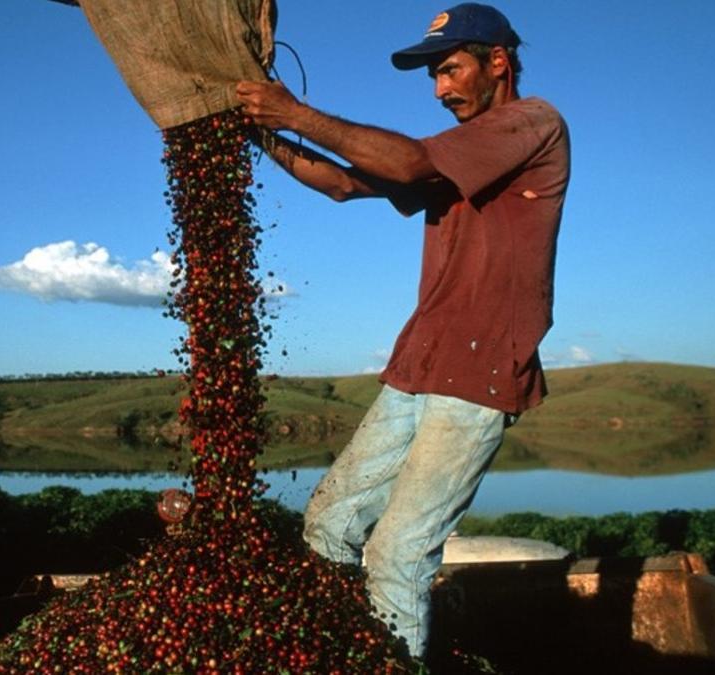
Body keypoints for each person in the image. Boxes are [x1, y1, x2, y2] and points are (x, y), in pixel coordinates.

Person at [235, 2, 570, 659]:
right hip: (420, 362)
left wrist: (294, 112)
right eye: (433, 78)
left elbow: (410, 161)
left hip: (478, 373)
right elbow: (335, 182)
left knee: (398, 548)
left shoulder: (533, 123)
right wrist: (255, 130)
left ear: (498, 63)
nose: (440, 89)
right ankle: (328, 653)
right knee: (329, 521)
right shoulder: (454, 156)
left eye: (450, 70)